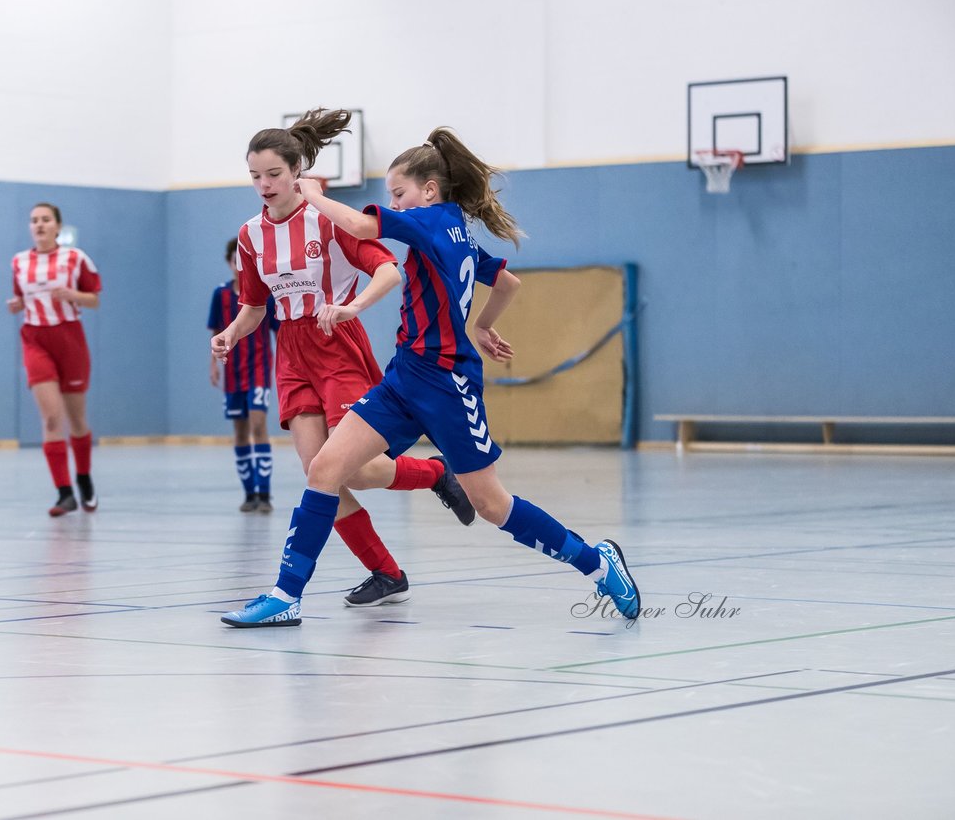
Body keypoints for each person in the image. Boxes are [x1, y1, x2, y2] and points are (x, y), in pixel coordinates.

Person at [221, 127, 641, 627]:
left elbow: (357, 227)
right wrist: (482, 325)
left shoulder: (429, 222)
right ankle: (286, 596)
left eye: (397, 193)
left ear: (428, 190)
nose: (392, 203)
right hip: (405, 376)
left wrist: (312, 193)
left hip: (449, 383)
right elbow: (507, 282)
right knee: (326, 469)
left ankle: (597, 562)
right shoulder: (456, 230)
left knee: (491, 504)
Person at [211, 109, 476, 609]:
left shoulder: (327, 221)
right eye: (255, 176)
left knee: (354, 469)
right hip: (289, 350)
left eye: (274, 174)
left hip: (336, 343)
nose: (264, 184)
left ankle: (437, 474)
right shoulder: (250, 236)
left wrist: (351, 305)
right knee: (319, 474)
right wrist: (230, 333)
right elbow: (253, 307)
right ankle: (386, 571)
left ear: (296, 173)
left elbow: (387, 271)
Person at [6, 202, 101, 517]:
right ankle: (64, 493)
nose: (39, 225)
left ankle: (84, 478)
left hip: (69, 339)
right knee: (50, 418)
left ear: (58, 226)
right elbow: (22, 296)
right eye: (34, 220)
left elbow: (95, 299)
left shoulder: (75, 259)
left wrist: (74, 296)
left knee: (76, 419)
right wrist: (17, 304)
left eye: (46, 220)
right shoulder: (19, 262)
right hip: (35, 339)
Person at [208, 237, 280, 513]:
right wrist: (213, 365)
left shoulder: (265, 295)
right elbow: (215, 331)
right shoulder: (221, 294)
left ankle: (265, 493)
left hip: (259, 367)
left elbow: (279, 331)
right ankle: (249, 493)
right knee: (239, 430)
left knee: (258, 425)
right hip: (232, 372)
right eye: (234, 259)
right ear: (229, 262)